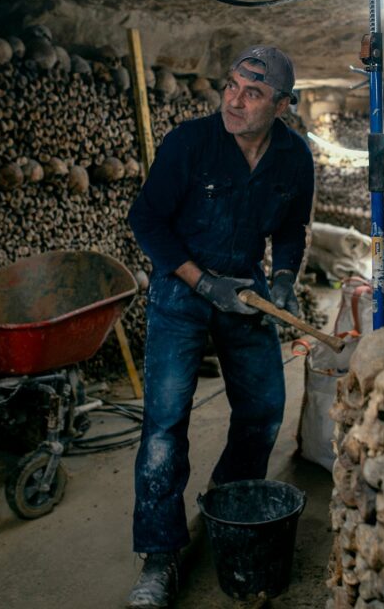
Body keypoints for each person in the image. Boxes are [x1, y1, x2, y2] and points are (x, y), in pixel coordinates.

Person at [125, 45, 314, 608]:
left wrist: (281, 279)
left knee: (262, 410)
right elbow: (147, 219)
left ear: (281, 104)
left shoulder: (294, 158)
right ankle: (159, 557)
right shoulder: (190, 143)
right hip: (181, 291)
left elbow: (292, 228)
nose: (233, 99)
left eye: (252, 92)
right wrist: (201, 282)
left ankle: (227, 503)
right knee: (164, 425)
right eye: (230, 85)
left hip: (246, 289)